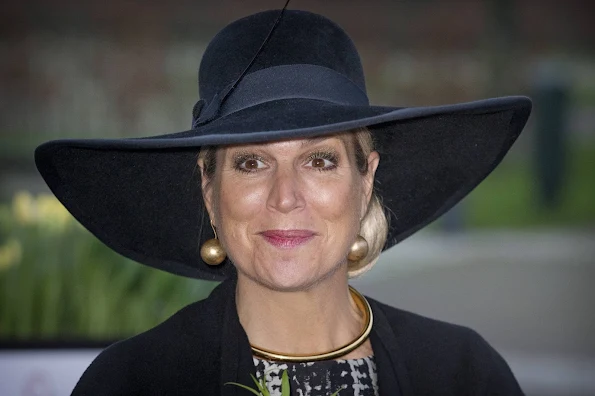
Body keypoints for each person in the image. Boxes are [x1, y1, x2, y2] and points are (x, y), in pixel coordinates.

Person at [35, 7, 531, 396]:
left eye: (319, 161)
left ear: (365, 182)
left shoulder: (462, 374)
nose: (285, 197)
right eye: (251, 163)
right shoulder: (133, 383)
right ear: (210, 192)